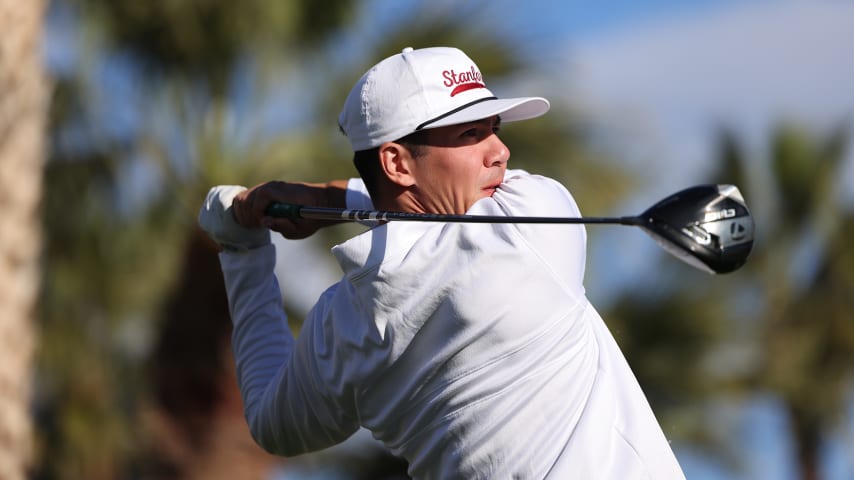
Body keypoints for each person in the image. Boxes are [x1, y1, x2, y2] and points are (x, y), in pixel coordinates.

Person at [198, 46, 686, 479]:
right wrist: (327, 198)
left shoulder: (342, 327)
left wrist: (242, 247)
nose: (501, 152)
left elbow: (269, 423)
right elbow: (434, 224)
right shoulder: (532, 225)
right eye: (471, 134)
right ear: (396, 164)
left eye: (493, 129)